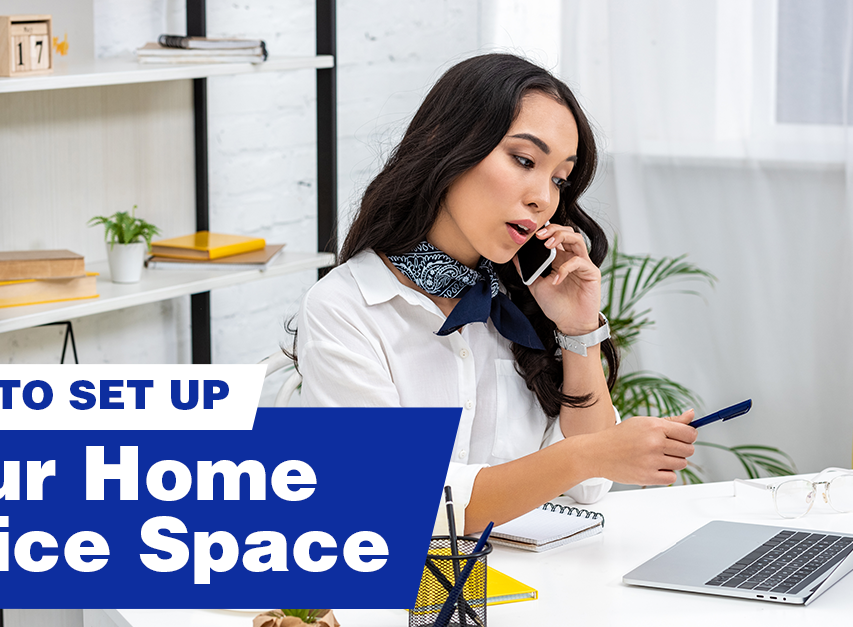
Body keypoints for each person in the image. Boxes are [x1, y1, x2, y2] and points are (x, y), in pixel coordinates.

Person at [296, 54, 697, 535]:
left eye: (558, 179)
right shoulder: (346, 308)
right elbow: (393, 501)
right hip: (412, 603)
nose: (543, 199)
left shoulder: (523, 300)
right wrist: (586, 455)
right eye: (524, 160)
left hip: (535, 589)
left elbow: (588, 486)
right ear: (448, 146)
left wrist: (577, 329)